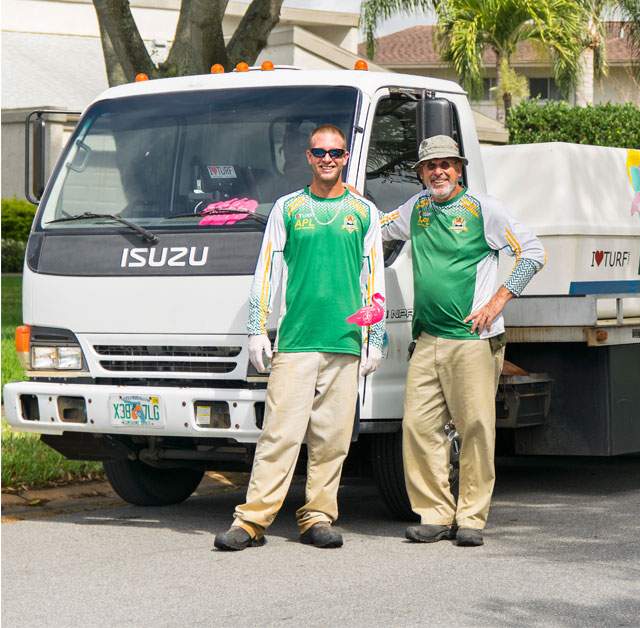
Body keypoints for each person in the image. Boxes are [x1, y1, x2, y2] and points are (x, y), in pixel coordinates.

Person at [213, 124, 384, 551]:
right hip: (296, 341)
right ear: (308, 157)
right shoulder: (288, 208)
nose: (328, 159)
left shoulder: (364, 212)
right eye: (319, 152)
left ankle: (318, 517)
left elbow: (374, 278)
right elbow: (266, 270)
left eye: (336, 152)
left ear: (346, 157)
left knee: (332, 438)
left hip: (344, 342)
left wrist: (374, 337)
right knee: (280, 434)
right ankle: (251, 521)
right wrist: (257, 328)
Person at [381, 135, 543, 547]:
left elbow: (534, 252)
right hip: (428, 338)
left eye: (447, 164)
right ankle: (435, 514)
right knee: (419, 428)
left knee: (475, 429)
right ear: (420, 172)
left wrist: (498, 301)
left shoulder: (483, 209)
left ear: (459, 169)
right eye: (431, 166)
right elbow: (375, 230)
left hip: (473, 339)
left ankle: (471, 517)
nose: (439, 172)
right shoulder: (415, 208)